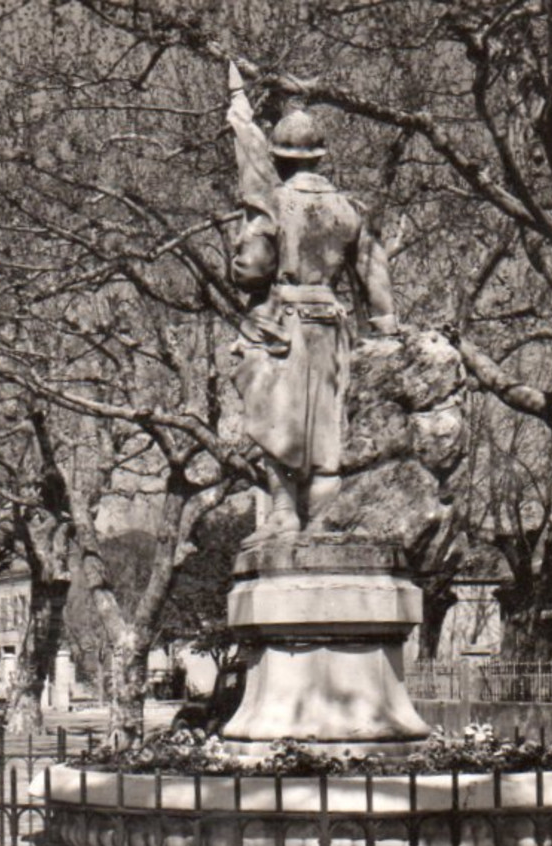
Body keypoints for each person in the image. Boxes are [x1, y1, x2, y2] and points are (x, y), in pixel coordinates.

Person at [226, 64, 399, 543]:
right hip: (333, 328)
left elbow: (253, 271)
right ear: (320, 158)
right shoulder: (351, 209)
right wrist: (387, 334)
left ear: (280, 158)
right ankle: (323, 521)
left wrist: (238, 254)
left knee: (279, 423)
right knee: (326, 434)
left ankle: (283, 513)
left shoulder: (273, 204)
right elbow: (376, 283)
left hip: (281, 326)